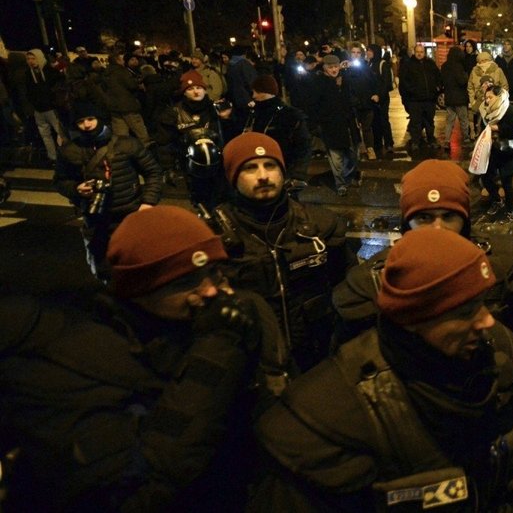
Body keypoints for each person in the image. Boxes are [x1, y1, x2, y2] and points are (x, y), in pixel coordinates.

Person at [0, 206, 285, 511]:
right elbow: (142, 490)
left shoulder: (220, 321)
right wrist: (216, 350)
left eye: (214, 272)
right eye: (184, 282)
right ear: (140, 291)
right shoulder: (71, 365)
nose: (211, 292)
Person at [250, 228, 513, 512]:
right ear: (413, 320)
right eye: (465, 312)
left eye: (482, 304)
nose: (486, 322)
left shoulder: (498, 350)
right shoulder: (329, 417)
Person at [331, 159, 513, 412]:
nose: (437, 229)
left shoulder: (506, 266)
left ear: (465, 219)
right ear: (406, 221)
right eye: (423, 217)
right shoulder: (373, 285)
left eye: (448, 216)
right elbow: (349, 374)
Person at [204, 132, 351, 371]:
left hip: (316, 357)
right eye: (250, 168)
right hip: (253, 365)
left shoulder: (319, 223)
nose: (263, 176)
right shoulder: (212, 237)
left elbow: (344, 283)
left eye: (270, 165)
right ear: (232, 177)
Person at [54, 100, 162, 279]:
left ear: (100, 119)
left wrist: (148, 202)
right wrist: (76, 188)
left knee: (139, 265)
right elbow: (59, 181)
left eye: (90, 118)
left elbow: (153, 172)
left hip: (130, 215)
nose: (86, 125)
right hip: (96, 220)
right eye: (81, 121)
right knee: (104, 270)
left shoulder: (126, 144)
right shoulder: (70, 151)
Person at [171, 69, 233, 210]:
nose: (196, 92)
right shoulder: (176, 111)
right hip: (192, 166)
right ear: (184, 92)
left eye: (199, 88)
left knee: (221, 199)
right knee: (200, 200)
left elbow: (230, 134)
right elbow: (169, 140)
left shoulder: (215, 108)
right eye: (190, 89)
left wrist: (227, 119)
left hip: (217, 164)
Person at [243, 73, 312, 181]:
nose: (253, 96)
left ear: (265, 92)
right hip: (262, 170)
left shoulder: (289, 116)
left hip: (284, 171)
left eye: (256, 92)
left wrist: (296, 176)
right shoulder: (253, 114)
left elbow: (303, 146)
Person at [309, 54, 359, 196]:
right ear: (325, 68)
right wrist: (318, 124)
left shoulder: (344, 80)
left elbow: (351, 98)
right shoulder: (320, 82)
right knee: (336, 158)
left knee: (353, 155)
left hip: (348, 124)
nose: (334, 69)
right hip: (331, 126)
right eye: (330, 67)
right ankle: (341, 184)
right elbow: (315, 105)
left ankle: (346, 178)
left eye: (336, 66)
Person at [480, 83, 513, 223]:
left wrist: (498, 128)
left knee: (507, 183)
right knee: (485, 177)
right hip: (493, 150)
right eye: (486, 97)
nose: (487, 100)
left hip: (508, 151)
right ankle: (497, 201)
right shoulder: (486, 111)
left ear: (499, 96)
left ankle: (509, 211)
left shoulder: (508, 109)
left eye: (490, 97)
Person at [14, 48, 65, 161]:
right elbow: (28, 92)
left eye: (33, 58)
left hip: (52, 109)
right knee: (45, 135)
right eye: (28, 59)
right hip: (38, 110)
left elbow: (58, 88)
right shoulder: (28, 74)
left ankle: (67, 156)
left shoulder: (50, 71)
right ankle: (53, 157)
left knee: (61, 134)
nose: (31, 61)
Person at [397, 46, 441, 149]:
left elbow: (438, 76)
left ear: (424, 53)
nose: (419, 54)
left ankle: (431, 139)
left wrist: (436, 89)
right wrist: (410, 95)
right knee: (416, 122)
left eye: (421, 52)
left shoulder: (430, 63)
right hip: (415, 100)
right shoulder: (408, 65)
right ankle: (415, 141)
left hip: (429, 99)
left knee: (429, 121)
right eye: (417, 52)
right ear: (414, 52)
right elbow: (404, 83)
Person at [344, 42, 381, 160]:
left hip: (366, 102)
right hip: (352, 104)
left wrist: (375, 94)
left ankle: (370, 148)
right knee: (354, 129)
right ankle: (359, 148)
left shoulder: (366, 67)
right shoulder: (346, 68)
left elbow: (374, 82)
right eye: (353, 52)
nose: (356, 55)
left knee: (367, 127)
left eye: (358, 52)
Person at [439, 44, 473, 149]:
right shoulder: (458, 66)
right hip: (460, 98)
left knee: (449, 121)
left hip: (449, 97)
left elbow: (442, 81)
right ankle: (466, 139)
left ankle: (447, 140)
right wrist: (466, 76)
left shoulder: (444, 66)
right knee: (463, 120)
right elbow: (462, 81)